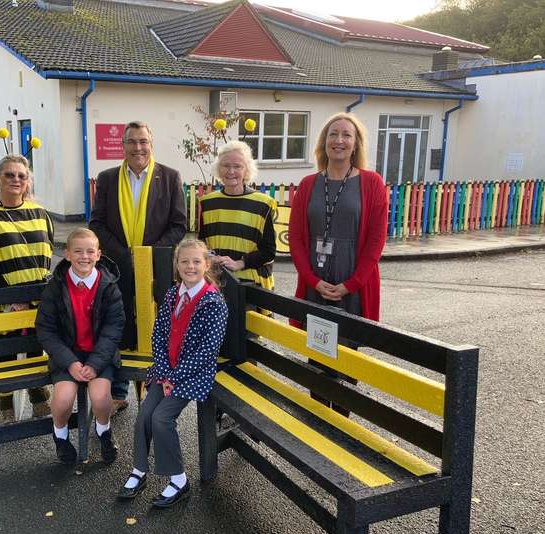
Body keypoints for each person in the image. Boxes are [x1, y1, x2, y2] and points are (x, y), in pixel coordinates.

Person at [288, 113, 388, 414]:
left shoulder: (371, 183)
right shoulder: (307, 184)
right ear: (323, 142)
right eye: (333, 134)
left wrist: (351, 284)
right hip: (316, 285)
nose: (339, 141)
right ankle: (318, 427)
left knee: (345, 362)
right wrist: (312, 280)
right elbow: (296, 240)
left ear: (356, 143)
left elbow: (375, 242)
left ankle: (341, 430)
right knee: (317, 360)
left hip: (352, 288)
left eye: (346, 135)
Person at [117, 239, 227, 508]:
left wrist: (174, 376)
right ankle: (139, 470)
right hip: (166, 370)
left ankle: (179, 480)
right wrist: (165, 371)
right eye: (184, 261)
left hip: (194, 374)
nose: (190, 266)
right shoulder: (171, 294)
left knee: (162, 418)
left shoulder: (213, 302)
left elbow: (207, 352)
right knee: (145, 414)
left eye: (196, 261)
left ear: (207, 265)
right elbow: (159, 333)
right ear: (176, 265)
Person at [89, 121, 187, 414]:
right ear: (123, 146)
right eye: (132, 142)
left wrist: (147, 254)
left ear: (151, 144)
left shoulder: (169, 177)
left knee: (157, 327)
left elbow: (179, 225)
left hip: (156, 269)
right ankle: (119, 390)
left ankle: (155, 392)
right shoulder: (107, 179)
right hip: (117, 267)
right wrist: (125, 254)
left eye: (143, 141)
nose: (138, 148)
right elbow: (96, 224)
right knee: (118, 326)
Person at [0, 154, 54, 424]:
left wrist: (33, 296)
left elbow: (45, 257)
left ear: (28, 180)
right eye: (9, 175)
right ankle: (4, 401)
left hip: (36, 298)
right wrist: (12, 298)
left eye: (21, 175)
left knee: (34, 347)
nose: (16, 180)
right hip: (3, 298)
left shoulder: (40, 213)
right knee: (4, 351)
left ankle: (37, 393)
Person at [34, 228, 125, 464]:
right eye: (78, 251)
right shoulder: (55, 287)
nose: (84, 256)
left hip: (100, 356)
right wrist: (71, 362)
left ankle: (104, 432)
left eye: (89, 251)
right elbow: (46, 330)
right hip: (67, 356)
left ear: (98, 254)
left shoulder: (109, 287)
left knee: (101, 398)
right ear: (66, 254)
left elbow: (113, 328)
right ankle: (61, 437)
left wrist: (94, 364)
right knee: (63, 400)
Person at [199, 141, 277, 291]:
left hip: (252, 283)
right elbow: (202, 243)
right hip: (216, 280)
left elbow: (269, 252)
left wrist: (240, 263)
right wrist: (209, 257)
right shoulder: (208, 202)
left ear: (246, 170)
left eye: (237, 166)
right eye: (226, 166)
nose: (231, 171)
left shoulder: (263, 204)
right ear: (218, 169)